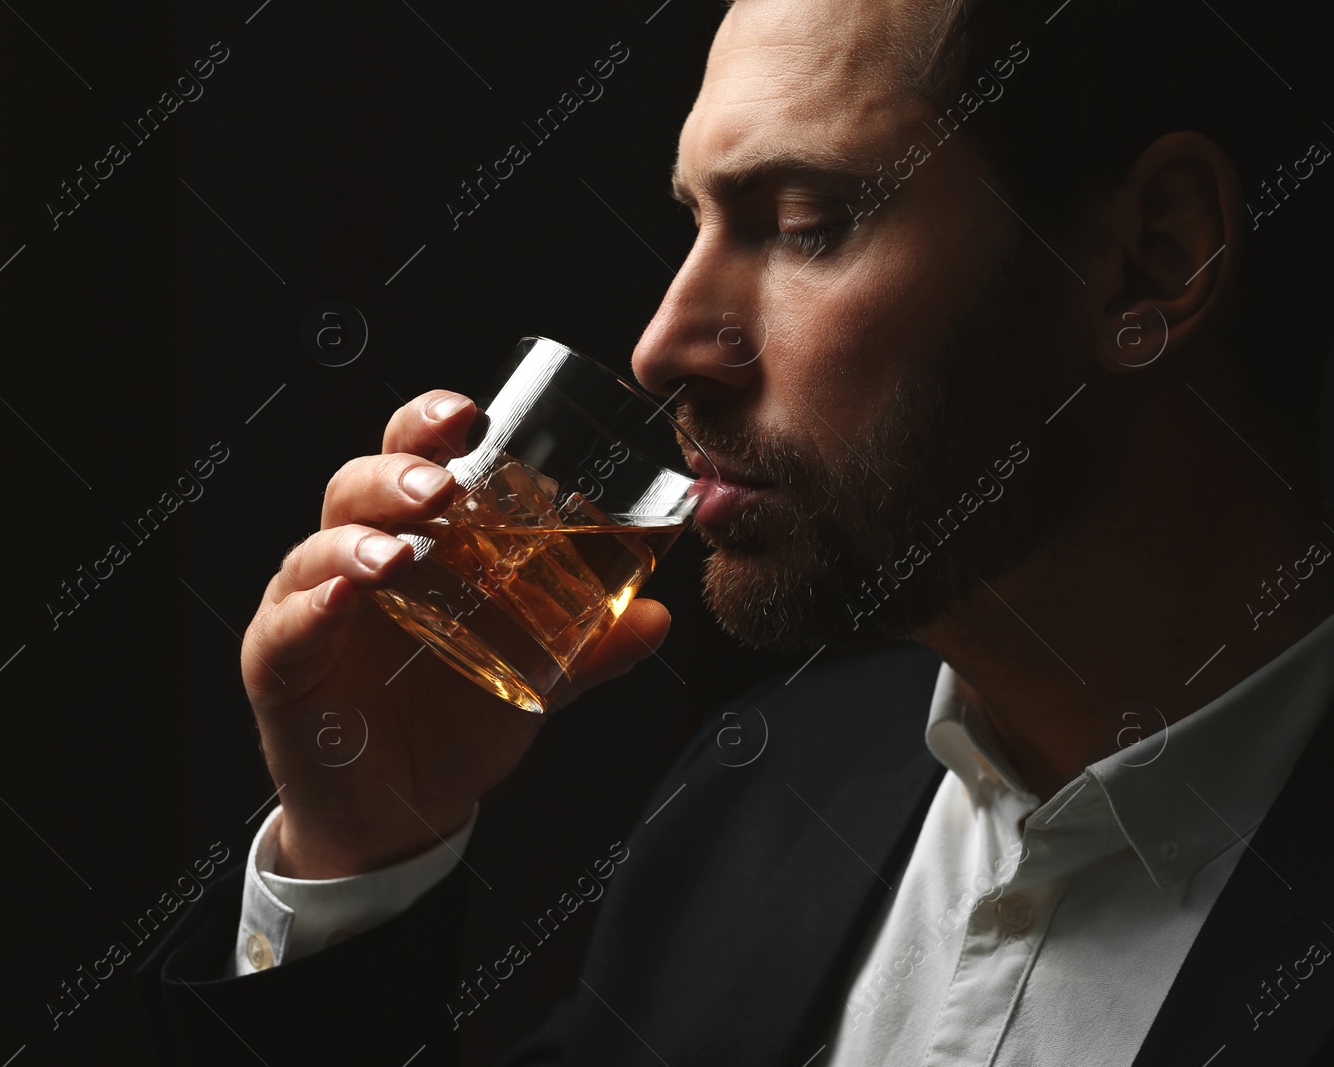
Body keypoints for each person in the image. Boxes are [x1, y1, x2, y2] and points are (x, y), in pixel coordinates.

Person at [137, 0, 1334, 1061]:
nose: (662, 344)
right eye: (696, 221)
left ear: (1157, 253)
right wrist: (360, 854)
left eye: (805, 222)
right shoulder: (760, 791)